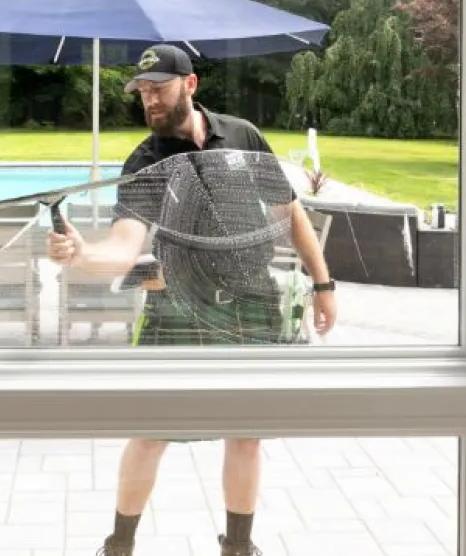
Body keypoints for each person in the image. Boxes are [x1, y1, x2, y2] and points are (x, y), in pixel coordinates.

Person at [47, 44, 338, 556]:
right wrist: (81, 254)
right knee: (150, 432)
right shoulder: (146, 160)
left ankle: (239, 546)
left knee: (247, 435)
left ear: (191, 85)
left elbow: (289, 210)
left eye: (158, 88)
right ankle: (119, 545)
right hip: (177, 304)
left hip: (253, 300)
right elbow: (123, 247)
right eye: (142, 92)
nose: (149, 100)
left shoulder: (241, 134)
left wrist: (323, 283)